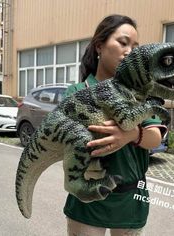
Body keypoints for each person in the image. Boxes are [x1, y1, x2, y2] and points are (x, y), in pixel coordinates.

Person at [63, 14, 167, 236]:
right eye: (123, 43)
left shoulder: (141, 93)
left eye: (134, 46)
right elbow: (69, 142)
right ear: (100, 46)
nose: (129, 51)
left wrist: (130, 135)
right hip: (88, 201)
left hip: (130, 200)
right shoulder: (77, 93)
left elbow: (155, 137)